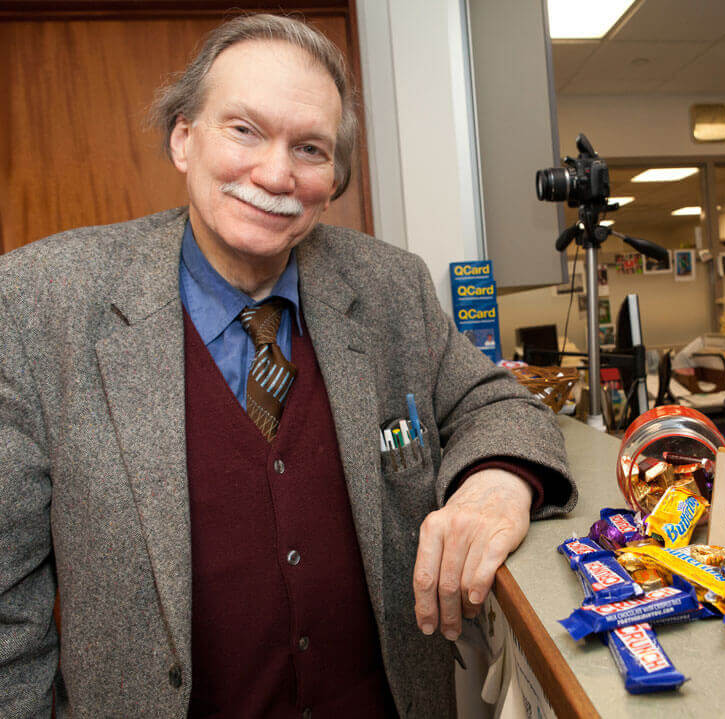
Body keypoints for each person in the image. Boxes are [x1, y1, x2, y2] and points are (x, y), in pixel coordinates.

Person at [0, 13, 575, 718]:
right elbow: (7, 611)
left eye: (310, 148)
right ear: (184, 137)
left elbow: (502, 406)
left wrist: (496, 485)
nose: (275, 173)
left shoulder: (391, 286)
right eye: (244, 129)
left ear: (334, 178)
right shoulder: (40, 303)